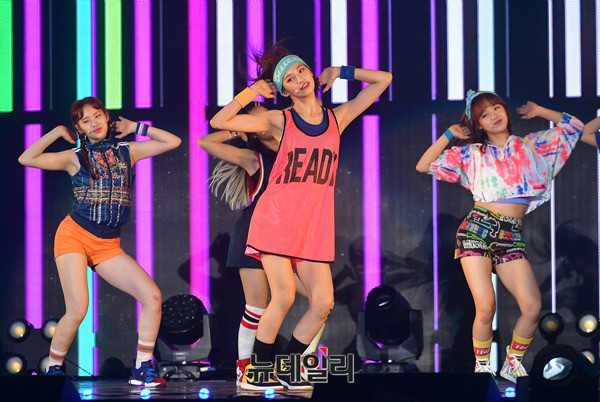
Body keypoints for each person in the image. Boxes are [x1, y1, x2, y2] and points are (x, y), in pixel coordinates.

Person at [210, 41, 392, 390]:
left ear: (311, 72)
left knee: (323, 302)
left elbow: (383, 79)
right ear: (284, 91)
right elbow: (219, 121)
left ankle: (288, 368)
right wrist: (253, 92)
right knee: (283, 297)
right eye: (289, 79)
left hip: (313, 225)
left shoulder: (337, 118)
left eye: (301, 71)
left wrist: (340, 72)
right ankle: (256, 372)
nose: (299, 79)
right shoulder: (280, 120)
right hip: (276, 219)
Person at [416, 90, 584, 383]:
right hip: (478, 229)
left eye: (496, 108)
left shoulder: (531, 146)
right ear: (478, 124)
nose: (493, 116)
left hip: (511, 235)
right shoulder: (471, 153)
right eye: (484, 114)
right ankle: (482, 368)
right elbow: (423, 165)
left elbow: (574, 127)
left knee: (532, 307)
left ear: (505, 110)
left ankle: (512, 363)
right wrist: (449, 134)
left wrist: (539, 110)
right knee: (485, 307)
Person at [18, 97, 181, 387]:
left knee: (152, 297)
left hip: (107, 245)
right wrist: (57, 132)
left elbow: (173, 141)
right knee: (78, 309)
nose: (94, 123)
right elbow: (26, 158)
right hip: (74, 236)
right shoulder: (73, 157)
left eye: (97, 116)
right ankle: (53, 369)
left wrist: (136, 127)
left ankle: (142, 369)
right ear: (79, 128)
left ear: (106, 117)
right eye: (85, 121)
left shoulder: (127, 151)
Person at [199, 103, 329, 389]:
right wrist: (238, 130)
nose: (266, 120)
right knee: (258, 305)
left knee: (321, 302)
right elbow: (205, 141)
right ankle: (246, 369)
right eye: (256, 120)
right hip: (254, 233)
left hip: (290, 236)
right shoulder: (253, 157)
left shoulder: (294, 147)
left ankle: (298, 364)